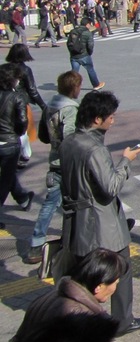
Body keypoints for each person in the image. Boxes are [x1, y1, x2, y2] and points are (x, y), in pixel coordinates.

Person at [59, 90, 140, 336]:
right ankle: (122, 320)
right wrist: (126, 161)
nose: (113, 120)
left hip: (76, 224)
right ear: (97, 119)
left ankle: (80, 317)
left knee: (83, 275)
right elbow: (110, 187)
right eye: (110, 116)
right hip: (102, 225)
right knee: (119, 269)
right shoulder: (95, 150)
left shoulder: (68, 141)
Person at [7, 247, 125, 342]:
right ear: (98, 287)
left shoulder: (46, 298)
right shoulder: (83, 322)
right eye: (115, 282)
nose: (115, 287)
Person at [23, 71, 82, 264]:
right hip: (68, 164)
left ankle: (36, 244)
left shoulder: (51, 106)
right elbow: (70, 137)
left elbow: (43, 136)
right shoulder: (71, 109)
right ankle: (77, 242)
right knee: (83, 201)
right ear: (74, 88)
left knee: (50, 204)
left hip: (54, 161)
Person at [0, 64, 33, 228]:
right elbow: (22, 122)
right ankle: (21, 198)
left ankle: (22, 197)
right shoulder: (17, 97)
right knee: (5, 181)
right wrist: (18, 133)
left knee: (8, 175)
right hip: (9, 143)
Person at [6, 43, 48, 168]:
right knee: (22, 128)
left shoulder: (4, 68)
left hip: (5, 102)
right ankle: (25, 154)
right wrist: (43, 106)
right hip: (21, 102)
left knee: (8, 128)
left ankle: (15, 154)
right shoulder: (25, 70)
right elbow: (32, 90)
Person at [67, 18, 105, 90]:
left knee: (74, 72)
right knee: (90, 69)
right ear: (87, 24)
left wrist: (71, 52)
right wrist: (89, 53)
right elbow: (90, 45)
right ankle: (96, 84)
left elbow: (68, 43)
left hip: (74, 55)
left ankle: (71, 86)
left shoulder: (73, 31)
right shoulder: (87, 33)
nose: (90, 26)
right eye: (90, 24)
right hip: (84, 55)